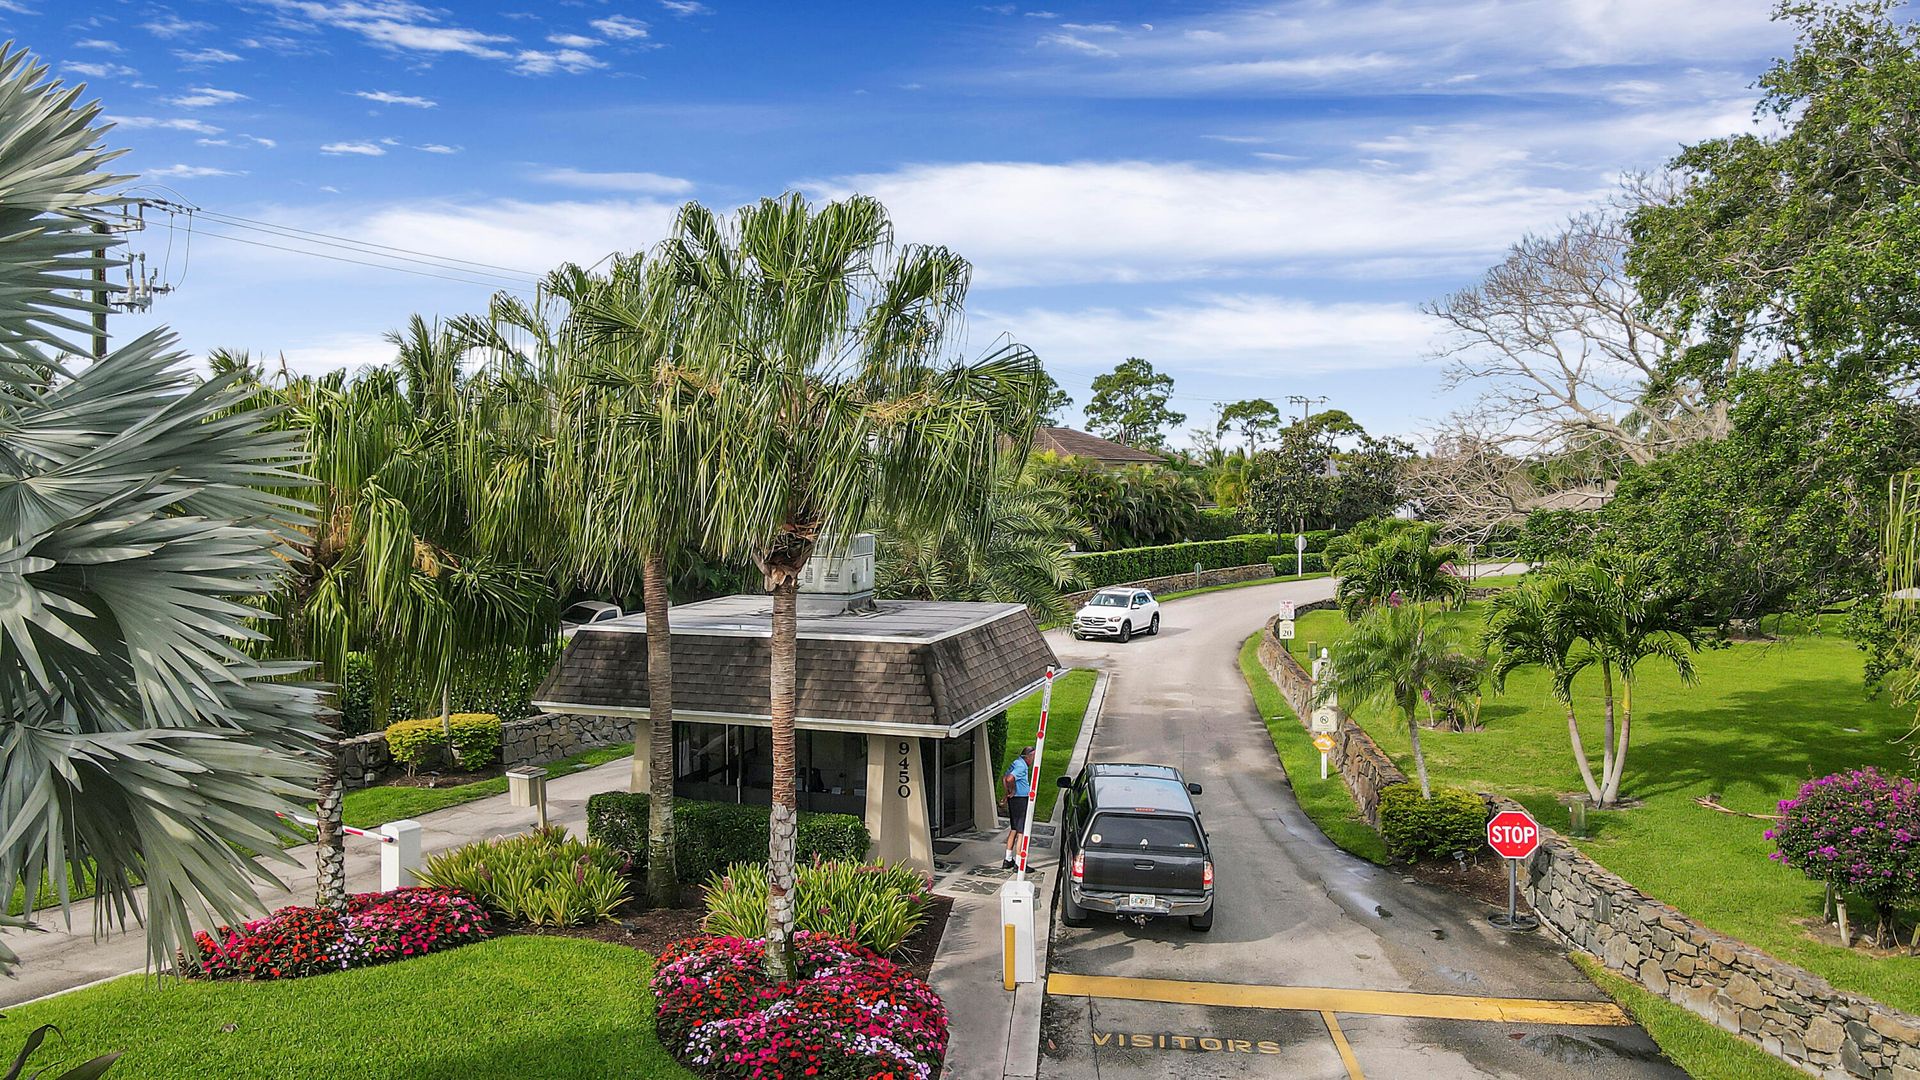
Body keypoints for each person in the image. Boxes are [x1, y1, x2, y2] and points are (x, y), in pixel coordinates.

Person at [1002, 745, 1036, 869]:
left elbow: (1005, 778)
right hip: (1021, 800)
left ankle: (1008, 858)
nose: (1033, 760)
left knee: (1014, 829)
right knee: (1022, 831)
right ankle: (1019, 863)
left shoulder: (1016, 762)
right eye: (1033, 757)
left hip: (1014, 800)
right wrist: (1013, 790)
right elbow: (1010, 778)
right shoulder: (1021, 766)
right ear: (1029, 756)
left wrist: (1009, 792)